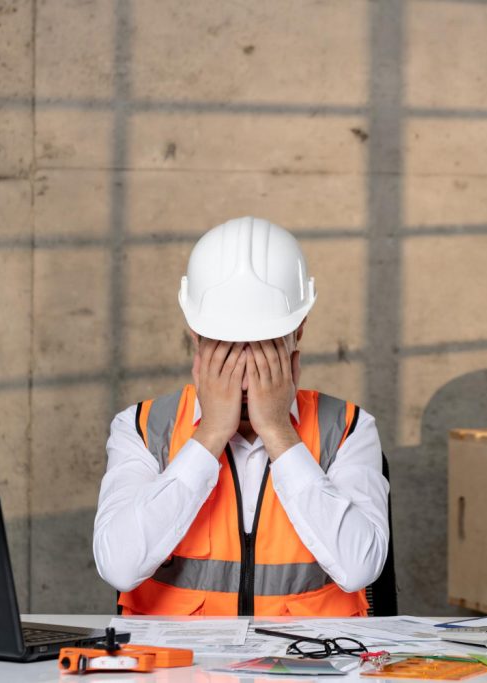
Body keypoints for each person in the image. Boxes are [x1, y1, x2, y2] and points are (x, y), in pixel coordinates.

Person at [93, 216, 389, 616]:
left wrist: (278, 432)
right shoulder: (143, 428)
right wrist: (211, 433)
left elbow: (359, 569)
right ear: (196, 333)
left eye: (264, 344)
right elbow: (118, 567)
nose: (245, 366)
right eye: (226, 345)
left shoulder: (349, 429)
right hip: (177, 671)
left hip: (310, 670)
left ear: (298, 330)